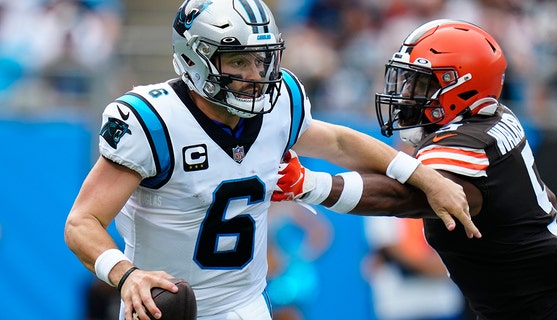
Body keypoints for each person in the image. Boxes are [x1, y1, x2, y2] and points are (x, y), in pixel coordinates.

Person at [63, 2, 480, 320]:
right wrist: (126, 274)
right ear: (195, 58)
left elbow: (336, 141)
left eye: (261, 58)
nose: (255, 73)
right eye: (238, 60)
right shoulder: (153, 122)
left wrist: (422, 175)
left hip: (246, 305)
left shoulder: (279, 104)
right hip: (166, 309)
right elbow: (82, 222)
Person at [273, 19, 557, 319]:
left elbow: (405, 196)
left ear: (461, 86)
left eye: (420, 84)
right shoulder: (493, 118)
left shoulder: (466, 143)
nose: (405, 95)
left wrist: (310, 184)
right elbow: (547, 198)